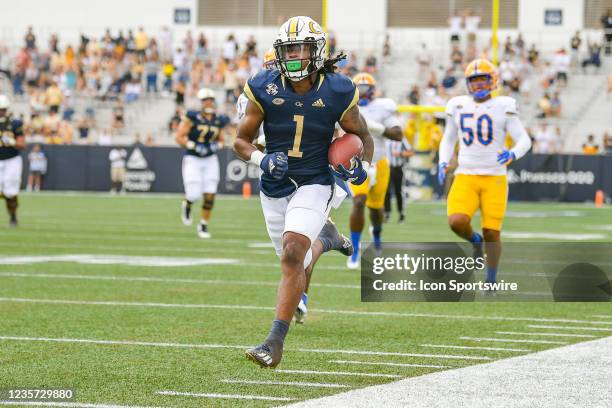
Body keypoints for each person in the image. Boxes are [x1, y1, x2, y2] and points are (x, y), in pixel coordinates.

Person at [234, 16, 374, 368]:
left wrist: (362, 169)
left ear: (317, 51)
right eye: (288, 49)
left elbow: (364, 137)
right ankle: (326, 239)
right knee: (294, 259)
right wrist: (261, 161)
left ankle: (274, 341)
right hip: (274, 185)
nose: (294, 56)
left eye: (301, 48)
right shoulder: (262, 85)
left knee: (293, 254)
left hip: (314, 180)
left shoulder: (338, 89)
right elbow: (239, 141)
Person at [438, 59, 532, 286]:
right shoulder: (457, 104)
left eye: (483, 81)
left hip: (495, 177)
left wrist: (513, 154)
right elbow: (449, 137)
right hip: (466, 174)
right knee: (456, 221)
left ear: (493, 81)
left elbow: (524, 139)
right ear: (468, 84)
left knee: (492, 231)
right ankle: (474, 240)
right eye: (474, 82)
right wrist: (443, 161)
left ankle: (491, 279)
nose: (478, 86)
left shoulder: (504, 105)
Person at [346, 72, 403, 269]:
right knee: (359, 201)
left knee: (376, 209)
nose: (361, 93)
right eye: (358, 89)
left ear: (372, 90)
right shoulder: (346, 107)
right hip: (356, 162)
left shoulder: (383, 107)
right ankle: (354, 249)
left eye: (365, 89)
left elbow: (398, 134)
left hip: (379, 164)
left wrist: (376, 127)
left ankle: (376, 236)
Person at [176, 88, 230, 238]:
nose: (208, 103)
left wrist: (215, 146)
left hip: (210, 159)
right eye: (205, 100)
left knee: (210, 194)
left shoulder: (218, 119)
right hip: (193, 158)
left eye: (210, 100)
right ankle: (187, 204)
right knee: (193, 194)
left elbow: (221, 140)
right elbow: (179, 137)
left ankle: (203, 225)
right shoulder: (192, 117)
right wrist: (193, 145)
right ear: (200, 102)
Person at [0, 95, 26, 227]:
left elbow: (22, 145)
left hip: (12, 160)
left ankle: (13, 217)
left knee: (10, 191)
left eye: (2, 109)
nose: (1, 112)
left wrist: (12, 142)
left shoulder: (14, 123)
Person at [384, 137, 413, 223]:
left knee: (399, 191)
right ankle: (387, 213)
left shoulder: (402, 139)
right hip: (387, 168)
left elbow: (410, 152)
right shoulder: (386, 139)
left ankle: (401, 213)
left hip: (398, 168)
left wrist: (400, 154)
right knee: (386, 191)